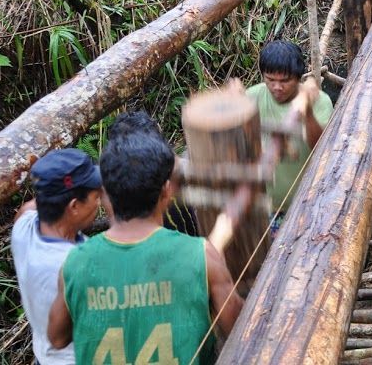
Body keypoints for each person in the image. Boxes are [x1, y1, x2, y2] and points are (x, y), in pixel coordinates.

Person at [47, 112, 243, 364]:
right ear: (166, 192)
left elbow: (57, 338)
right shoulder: (200, 254)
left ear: (105, 194)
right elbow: (238, 328)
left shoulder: (75, 262)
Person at [11, 149, 102, 365]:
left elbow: (29, 207)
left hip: (43, 356)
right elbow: (60, 338)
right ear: (74, 206)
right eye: (96, 197)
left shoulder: (23, 227)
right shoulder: (76, 264)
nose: (99, 203)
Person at [247, 40, 333, 220]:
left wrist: (307, 111)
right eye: (270, 79)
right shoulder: (252, 97)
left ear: (298, 77)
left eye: (285, 81)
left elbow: (322, 149)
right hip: (264, 208)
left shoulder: (321, 102)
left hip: (307, 208)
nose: (277, 87)